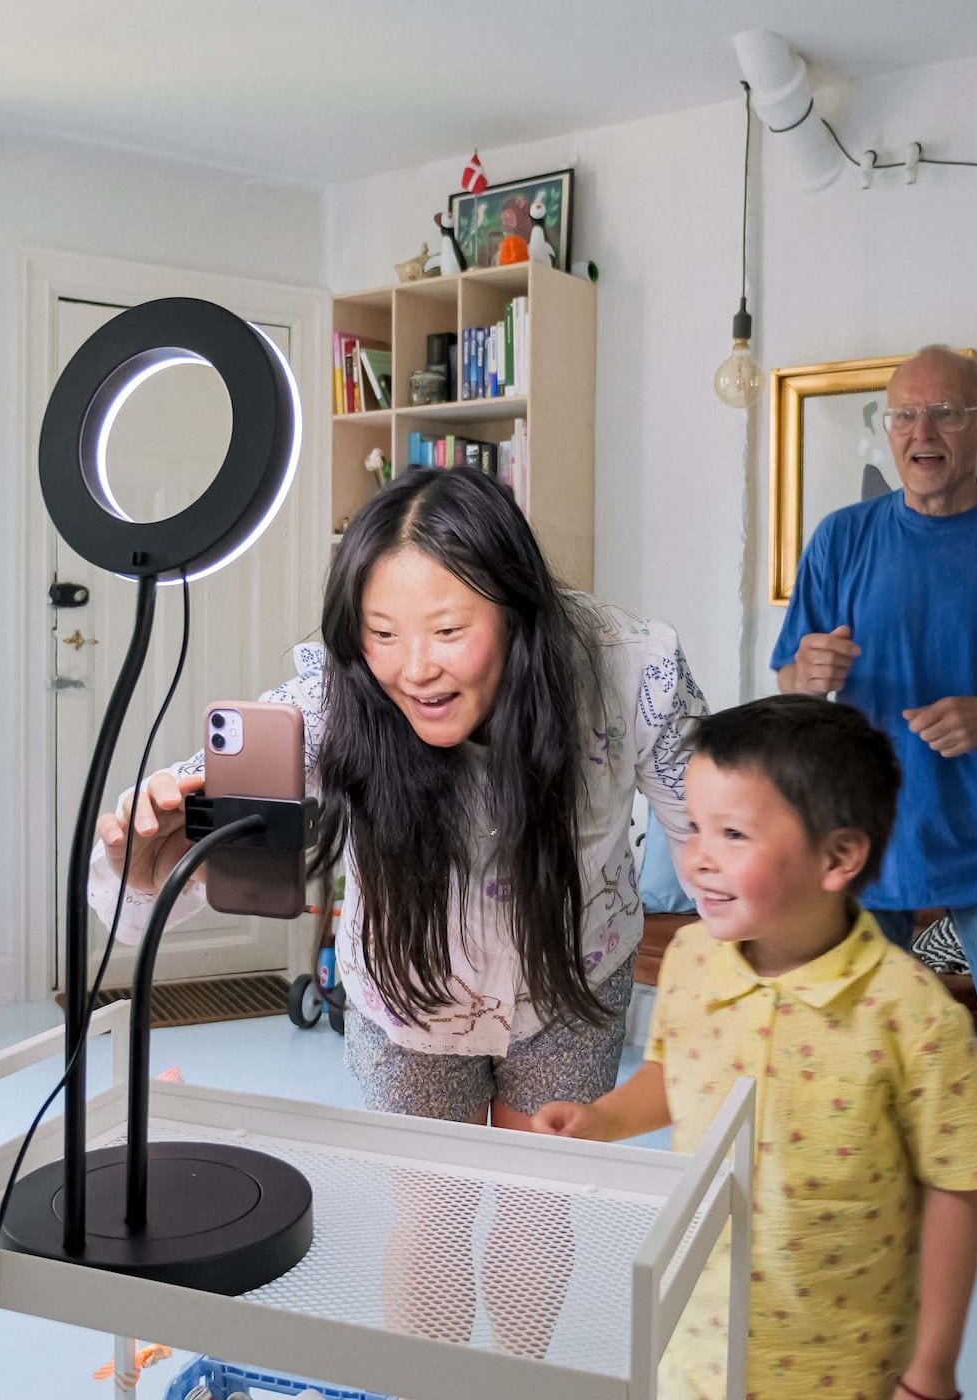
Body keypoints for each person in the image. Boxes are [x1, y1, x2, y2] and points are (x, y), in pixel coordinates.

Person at [89, 465, 706, 1343]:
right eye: (383, 632)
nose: (415, 670)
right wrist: (143, 858)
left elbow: (725, 822)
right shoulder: (333, 696)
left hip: (570, 981)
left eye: (450, 630)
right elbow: (163, 867)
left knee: (538, 1209)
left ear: (517, 608)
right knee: (432, 1211)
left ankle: (515, 1382)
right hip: (410, 996)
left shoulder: (627, 669)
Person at [534, 695, 977, 1400]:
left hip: (845, 1362)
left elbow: (953, 1190)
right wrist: (604, 1118)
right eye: (695, 827)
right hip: (695, 1337)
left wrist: (931, 1370)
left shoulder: (911, 1014)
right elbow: (677, 1074)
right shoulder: (693, 960)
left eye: (733, 834)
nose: (698, 858)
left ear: (839, 856)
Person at [770, 344, 977, 1320]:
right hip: (858, 836)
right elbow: (790, 676)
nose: (921, 434)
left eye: (945, 415)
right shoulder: (840, 537)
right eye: (904, 416)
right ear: (887, 427)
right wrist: (809, 673)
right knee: (847, 1049)